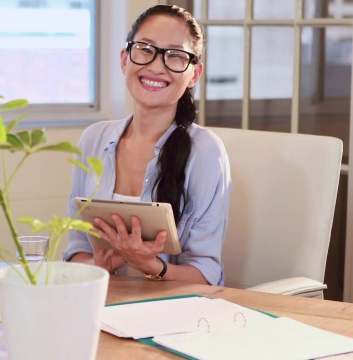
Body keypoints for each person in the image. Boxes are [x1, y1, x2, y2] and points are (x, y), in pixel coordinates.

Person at [64, 4, 231, 286]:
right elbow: (76, 251)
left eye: (175, 55)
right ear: (124, 59)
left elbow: (207, 276)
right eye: (145, 48)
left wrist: (150, 265)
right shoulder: (93, 139)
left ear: (195, 74)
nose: (156, 66)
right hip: (103, 306)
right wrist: (100, 266)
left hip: (175, 315)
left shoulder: (206, 151)